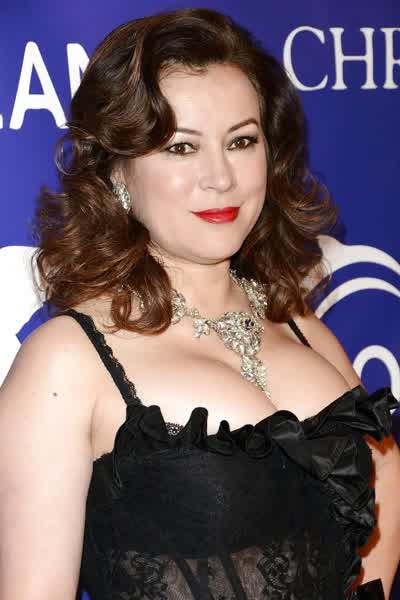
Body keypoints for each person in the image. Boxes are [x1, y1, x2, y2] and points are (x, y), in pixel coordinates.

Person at [0, 7, 399, 599]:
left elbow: (379, 524)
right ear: (117, 171)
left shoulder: (304, 327)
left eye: (241, 141)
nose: (221, 177)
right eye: (181, 148)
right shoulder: (66, 361)